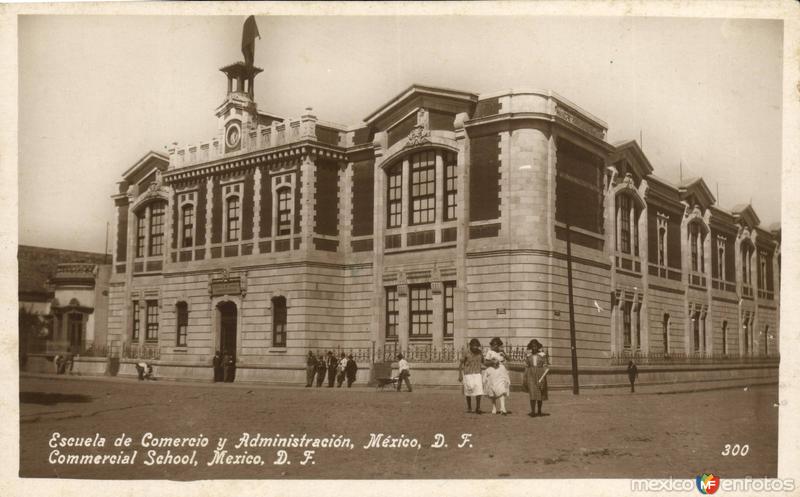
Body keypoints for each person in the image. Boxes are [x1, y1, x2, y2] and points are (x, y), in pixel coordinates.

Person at [483, 337, 511, 415]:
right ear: (492, 345)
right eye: (494, 345)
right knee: (493, 390)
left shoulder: (501, 352)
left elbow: (509, 359)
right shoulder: (490, 352)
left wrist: (504, 353)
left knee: (502, 389)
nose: (495, 346)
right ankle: (494, 407)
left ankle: (503, 408)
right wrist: (492, 362)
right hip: (492, 372)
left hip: (501, 371)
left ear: (499, 345)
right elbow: (485, 362)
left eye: (497, 345)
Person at [524, 339, 549, 417]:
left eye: (535, 346)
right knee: (532, 393)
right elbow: (526, 366)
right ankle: (532, 411)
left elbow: (545, 365)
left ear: (538, 347)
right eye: (532, 346)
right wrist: (525, 376)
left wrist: (543, 377)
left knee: (539, 394)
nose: (534, 348)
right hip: (531, 375)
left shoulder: (542, 355)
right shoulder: (528, 356)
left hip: (540, 374)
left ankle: (539, 410)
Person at [459, 338, 485, 413]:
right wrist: (460, 374)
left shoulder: (480, 353)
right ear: (470, 345)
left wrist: (492, 363)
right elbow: (460, 364)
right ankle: (469, 407)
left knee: (479, 391)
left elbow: (484, 362)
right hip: (468, 374)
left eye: (477, 346)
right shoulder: (466, 352)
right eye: (474, 346)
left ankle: (478, 407)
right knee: (468, 391)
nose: (475, 347)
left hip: (477, 373)